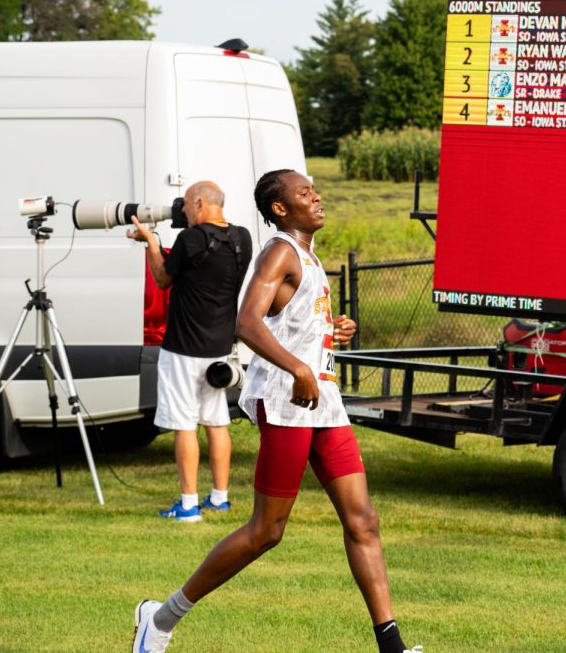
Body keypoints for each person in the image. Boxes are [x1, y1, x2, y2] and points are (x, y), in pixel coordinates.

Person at [133, 169, 420, 653]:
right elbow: (246, 321)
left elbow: (291, 322)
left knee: (363, 521)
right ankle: (160, 619)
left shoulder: (306, 254)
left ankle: (393, 648)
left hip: (322, 403)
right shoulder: (280, 250)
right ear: (282, 209)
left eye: (315, 189)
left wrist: (333, 330)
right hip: (288, 402)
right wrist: (298, 369)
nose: (317, 196)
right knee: (267, 531)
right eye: (305, 192)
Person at [128, 181, 253, 522]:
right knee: (216, 421)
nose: (181, 212)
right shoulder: (243, 239)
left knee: (184, 425)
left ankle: (187, 506)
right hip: (219, 349)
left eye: (184, 205)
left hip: (182, 348)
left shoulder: (191, 240)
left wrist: (151, 243)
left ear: (198, 203)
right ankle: (220, 498)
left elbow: (162, 279)